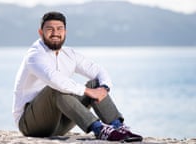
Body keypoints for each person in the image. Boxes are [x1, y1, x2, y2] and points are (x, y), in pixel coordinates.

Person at [12, 11, 142, 142]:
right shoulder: (34, 55)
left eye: (59, 29)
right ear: (41, 33)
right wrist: (88, 92)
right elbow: (54, 80)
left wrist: (104, 89)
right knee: (56, 89)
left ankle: (118, 127)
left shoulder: (69, 54)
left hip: (59, 124)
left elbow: (98, 71)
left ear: (65, 32)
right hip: (30, 124)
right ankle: (99, 129)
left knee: (95, 84)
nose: (55, 33)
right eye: (50, 29)